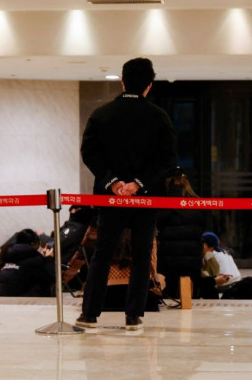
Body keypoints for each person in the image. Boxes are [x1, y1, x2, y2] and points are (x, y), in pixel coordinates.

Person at [76, 57, 178, 331]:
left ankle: (89, 315)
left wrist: (113, 182)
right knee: (143, 254)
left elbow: (89, 152)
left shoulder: (101, 113)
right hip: (147, 196)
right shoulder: (159, 116)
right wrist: (138, 183)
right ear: (149, 85)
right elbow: (168, 159)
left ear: (121, 81)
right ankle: (133, 315)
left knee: (103, 252)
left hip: (111, 196)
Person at [156, 168, 207, 299]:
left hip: (168, 259)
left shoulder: (163, 202)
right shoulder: (197, 203)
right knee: (189, 296)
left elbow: (157, 223)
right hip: (192, 259)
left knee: (170, 295)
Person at [0, 229, 55, 296]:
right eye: (38, 244)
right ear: (33, 243)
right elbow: (52, 277)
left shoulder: (7, 252)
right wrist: (49, 258)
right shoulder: (35, 257)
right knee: (44, 285)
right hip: (18, 298)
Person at [199, 231, 241, 298]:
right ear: (205, 245)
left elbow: (213, 272)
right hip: (236, 280)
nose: (212, 251)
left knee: (210, 287)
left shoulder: (209, 254)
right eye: (212, 248)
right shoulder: (212, 252)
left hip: (227, 283)